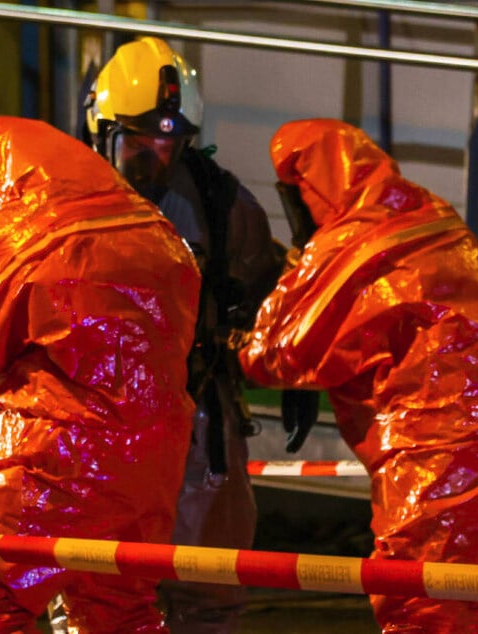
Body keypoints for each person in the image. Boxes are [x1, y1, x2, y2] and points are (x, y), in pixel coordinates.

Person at [0, 115, 202, 633]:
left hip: (53, 458)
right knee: (121, 610)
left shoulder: (22, 229)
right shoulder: (159, 232)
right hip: (149, 465)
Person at [240, 118, 478, 632]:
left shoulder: (352, 244)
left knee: (422, 600)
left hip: (434, 458)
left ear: (307, 189)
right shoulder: (429, 214)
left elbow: (277, 353)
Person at [84, 36, 286, 633]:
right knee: (103, 594)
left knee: (207, 591)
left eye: (168, 137)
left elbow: (270, 294)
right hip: (98, 423)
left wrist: (291, 361)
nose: (155, 152)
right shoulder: (64, 201)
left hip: (200, 424)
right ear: (101, 133)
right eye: (138, 137)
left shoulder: (221, 206)